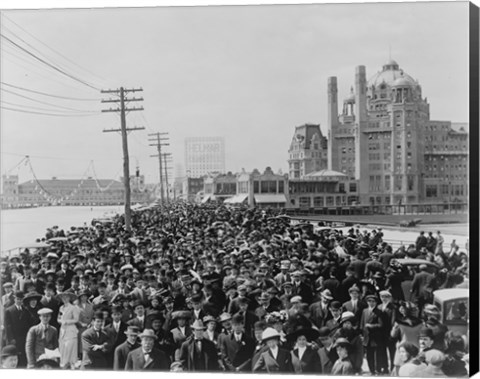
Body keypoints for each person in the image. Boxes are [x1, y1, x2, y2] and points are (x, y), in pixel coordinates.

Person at [360, 294, 386, 375]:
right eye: (369, 301)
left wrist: (371, 326)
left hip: (375, 337)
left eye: (373, 301)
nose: (371, 303)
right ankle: (371, 371)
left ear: (376, 303)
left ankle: (377, 370)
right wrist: (362, 334)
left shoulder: (379, 312)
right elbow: (362, 323)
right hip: (367, 337)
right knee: (369, 356)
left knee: (376, 356)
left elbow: (381, 325)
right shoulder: (364, 311)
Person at [3, 291, 31, 367]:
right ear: (14, 299)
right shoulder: (9, 310)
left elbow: (28, 324)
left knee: (23, 356)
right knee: (14, 356)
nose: (19, 301)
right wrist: (11, 338)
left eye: (21, 299)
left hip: (23, 337)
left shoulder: (25, 310)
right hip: (14, 338)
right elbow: (7, 326)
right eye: (18, 299)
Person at [58, 291, 81, 369]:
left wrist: (67, 322)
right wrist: (61, 321)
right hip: (62, 331)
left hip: (71, 330)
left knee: (70, 348)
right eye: (63, 297)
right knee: (62, 348)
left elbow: (76, 319)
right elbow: (58, 318)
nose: (64, 299)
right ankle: (63, 365)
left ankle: (71, 365)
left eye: (66, 297)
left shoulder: (73, 308)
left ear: (69, 298)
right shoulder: (61, 308)